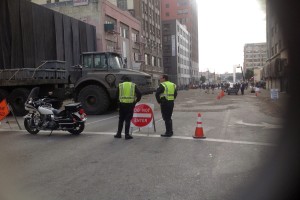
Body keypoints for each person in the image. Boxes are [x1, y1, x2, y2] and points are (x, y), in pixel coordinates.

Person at [114, 76, 142, 140]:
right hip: (130, 105)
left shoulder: (120, 85)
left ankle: (118, 134)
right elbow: (139, 94)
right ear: (130, 80)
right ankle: (127, 135)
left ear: (123, 80)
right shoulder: (133, 85)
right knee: (128, 120)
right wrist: (136, 101)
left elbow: (116, 96)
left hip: (121, 105)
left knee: (121, 120)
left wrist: (118, 104)